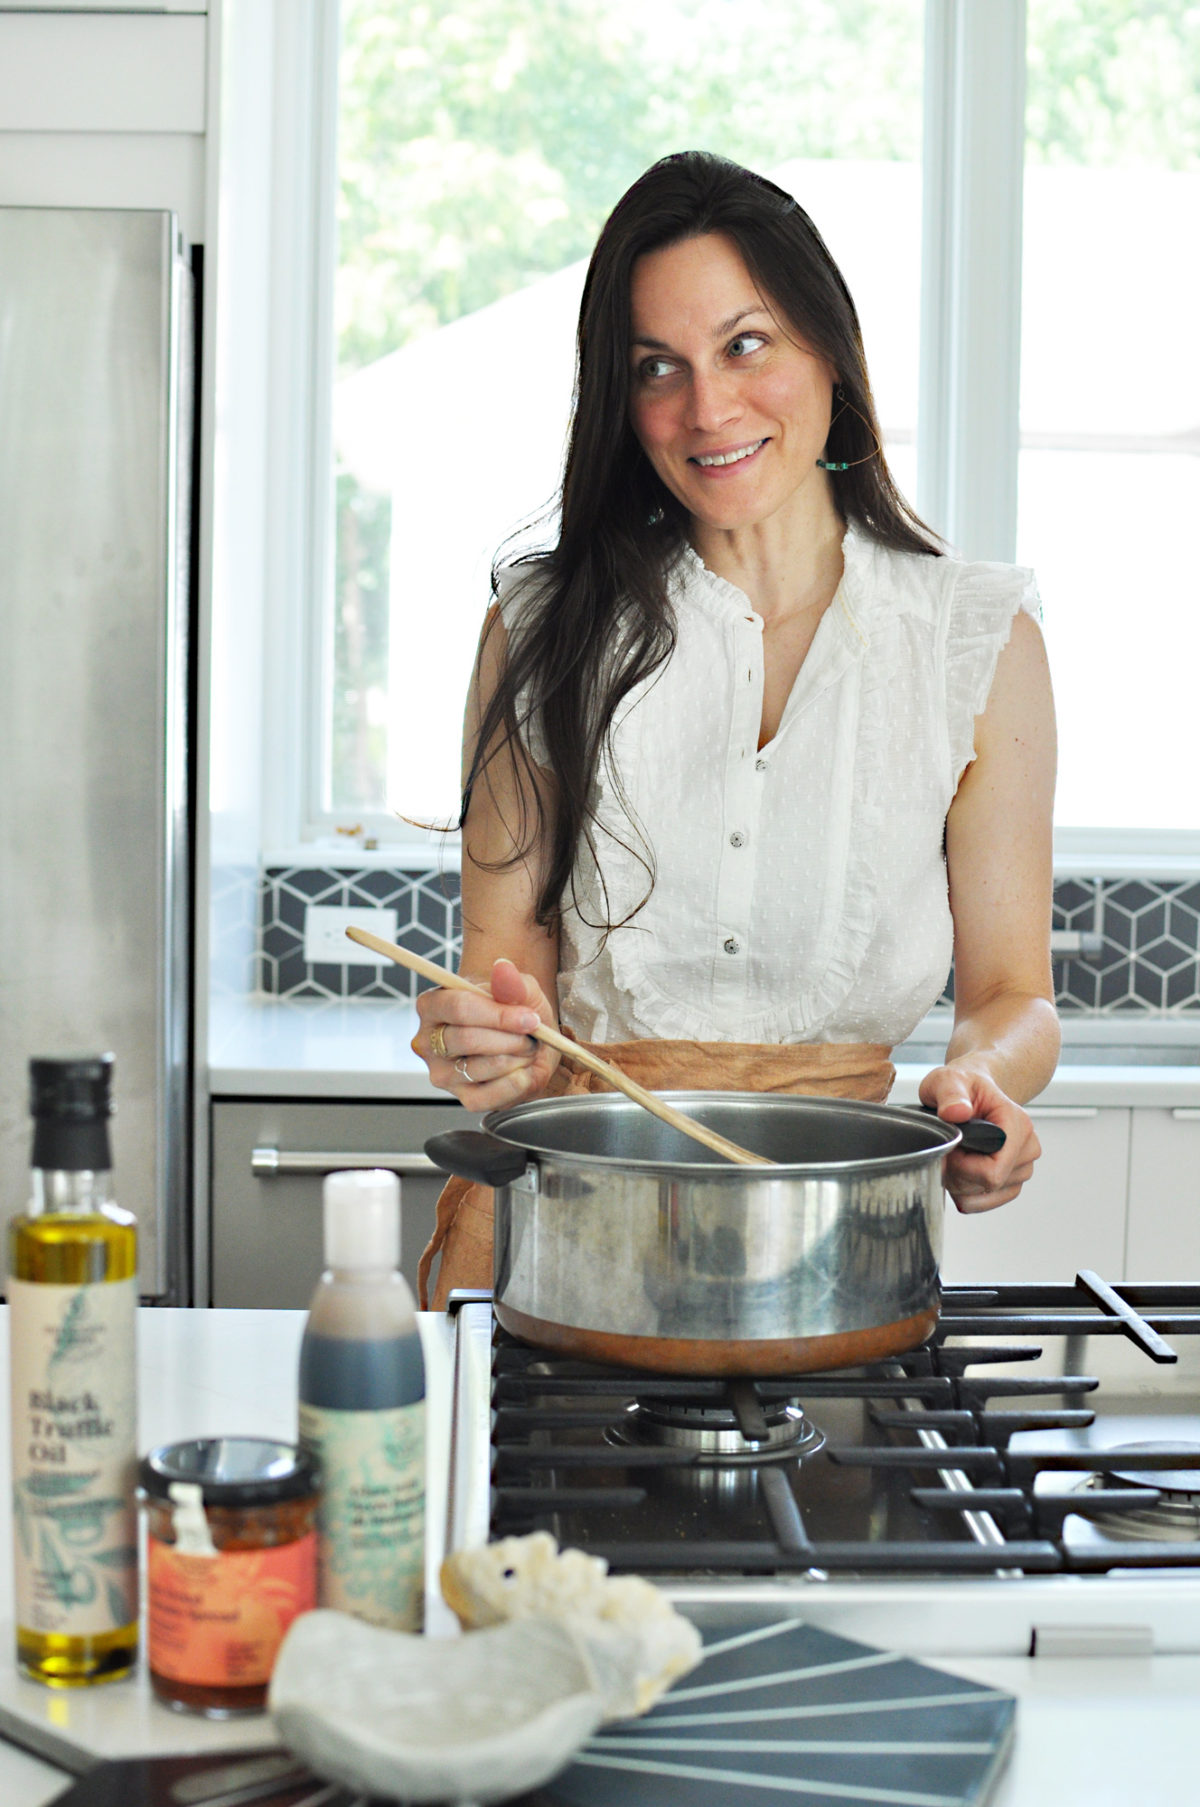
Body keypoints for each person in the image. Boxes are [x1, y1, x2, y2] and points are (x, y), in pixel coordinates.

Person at [412, 151, 1059, 1310]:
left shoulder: (976, 638)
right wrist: (486, 1039)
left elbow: (1016, 995)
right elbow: (502, 974)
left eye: (745, 344)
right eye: (657, 367)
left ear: (828, 346)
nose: (706, 409)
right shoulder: (541, 627)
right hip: (571, 1239)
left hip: (837, 1257)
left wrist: (980, 1084)